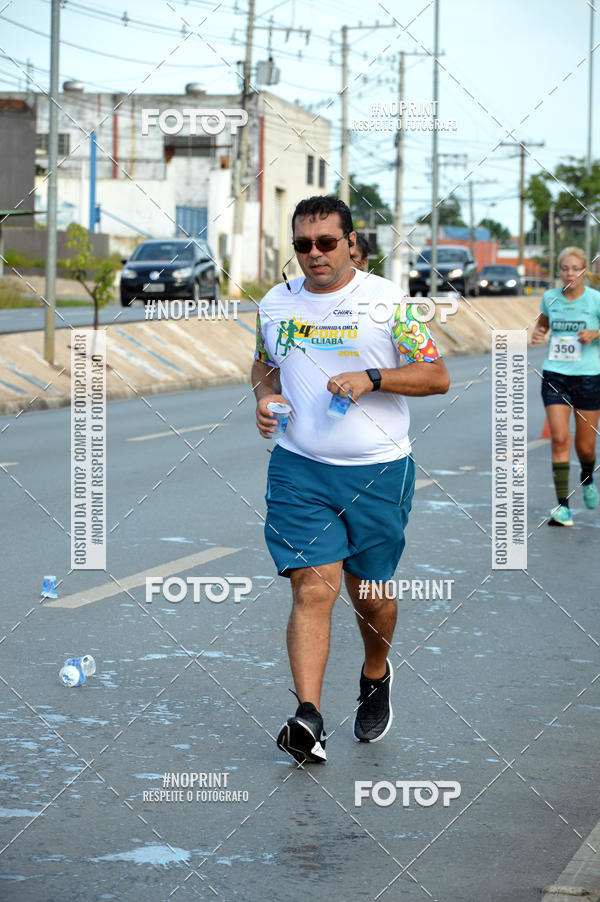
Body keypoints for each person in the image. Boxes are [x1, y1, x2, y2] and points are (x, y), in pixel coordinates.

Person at [251, 195, 450, 764]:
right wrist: (266, 400)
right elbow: (264, 363)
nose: (314, 254)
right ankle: (308, 716)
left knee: (372, 595)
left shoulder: (388, 303)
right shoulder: (275, 304)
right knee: (312, 587)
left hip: (378, 471)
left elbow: (435, 376)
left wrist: (372, 377)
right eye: (302, 245)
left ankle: (375, 672)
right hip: (298, 468)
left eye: (326, 243)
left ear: (351, 244)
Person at [532, 246, 600, 526]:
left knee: (585, 448)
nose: (570, 273)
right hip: (555, 375)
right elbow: (543, 325)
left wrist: (595, 333)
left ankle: (587, 477)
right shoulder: (550, 298)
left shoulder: (596, 300)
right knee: (559, 439)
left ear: (584, 271)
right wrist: (538, 333)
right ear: (558, 271)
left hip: (588, 377)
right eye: (564, 268)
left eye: (575, 268)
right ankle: (563, 507)